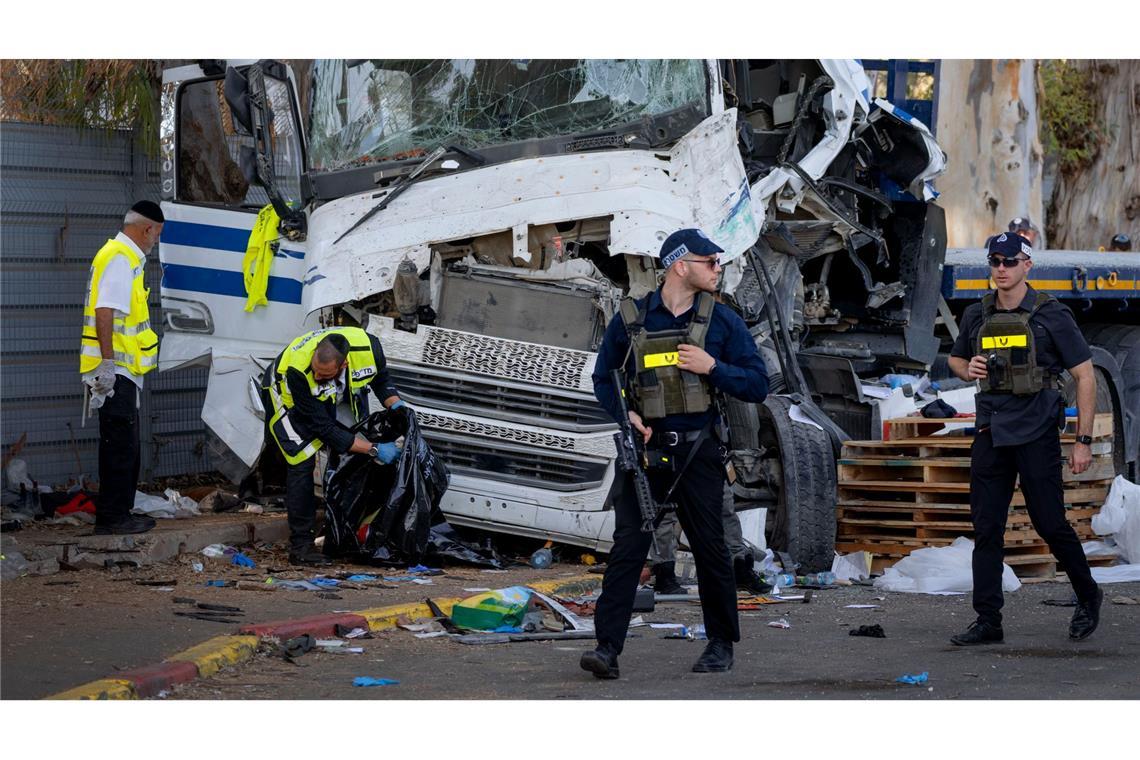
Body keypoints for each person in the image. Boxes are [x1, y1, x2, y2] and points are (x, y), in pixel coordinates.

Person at [580, 228, 769, 679]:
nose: (718, 269)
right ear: (681, 265)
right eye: (711, 262)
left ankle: (720, 644)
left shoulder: (723, 322)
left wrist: (714, 368)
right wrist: (626, 415)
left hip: (698, 452)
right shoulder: (632, 320)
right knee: (628, 549)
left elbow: (758, 384)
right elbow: (603, 379)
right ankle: (607, 648)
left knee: (711, 550)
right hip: (647, 454)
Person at [947, 232, 1102, 645]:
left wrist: (1082, 439)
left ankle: (1089, 595)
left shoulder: (1053, 315)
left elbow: (1084, 376)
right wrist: (968, 369)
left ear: (1027, 265)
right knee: (986, 528)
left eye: (1010, 261)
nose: (1001, 268)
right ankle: (988, 621)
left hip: (1036, 432)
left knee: (1050, 523)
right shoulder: (976, 314)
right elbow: (956, 357)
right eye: (995, 261)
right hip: (990, 431)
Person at [261, 326, 405, 566]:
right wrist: (374, 449)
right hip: (284, 396)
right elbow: (324, 429)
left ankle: (344, 534)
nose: (317, 376)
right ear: (315, 353)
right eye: (316, 371)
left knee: (351, 450)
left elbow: (380, 379)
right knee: (300, 460)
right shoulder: (298, 370)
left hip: (324, 398)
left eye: (325, 374)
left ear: (344, 365)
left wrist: (397, 406)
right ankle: (301, 547)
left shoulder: (370, 349)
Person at [80, 201, 165, 535]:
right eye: (157, 234)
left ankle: (120, 512)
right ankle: (113, 517)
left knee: (125, 442)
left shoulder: (123, 257)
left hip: (122, 370)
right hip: (115, 371)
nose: (155, 241)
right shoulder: (120, 258)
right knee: (120, 444)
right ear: (147, 229)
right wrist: (108, 363)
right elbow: (105, 311)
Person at [650, 485, 771, 595]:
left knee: (724, 503)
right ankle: (664, 575)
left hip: (704, 462)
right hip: (670, 464)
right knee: (664, 510)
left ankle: (738, 568)